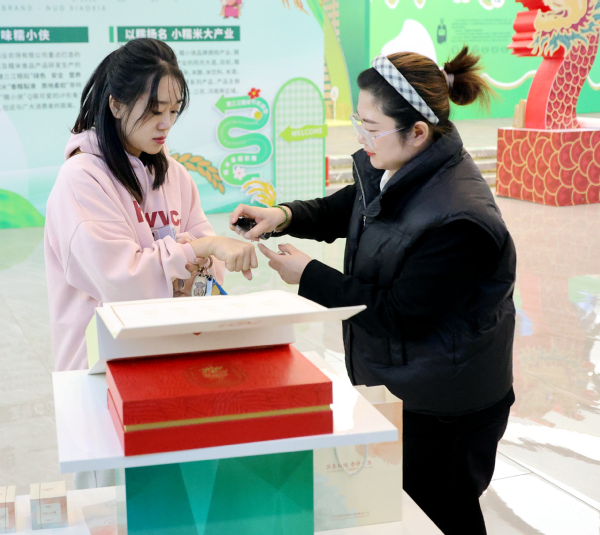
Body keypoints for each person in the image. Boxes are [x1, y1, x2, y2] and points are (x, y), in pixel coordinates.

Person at [230, 46, 516, 535]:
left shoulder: (460, 220)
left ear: (418, 131)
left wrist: (309, 276)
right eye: (357, 122)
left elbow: (398, 315)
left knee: (444, 515)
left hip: (447, 410)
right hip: (409, 386)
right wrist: (283, 216)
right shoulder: (403, 167)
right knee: (404, 509)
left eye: (370, 127)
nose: (360, 138)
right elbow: (353, 205)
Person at [45, 38, 257, 373]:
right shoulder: (82, 179)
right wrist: (196, 249)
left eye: (173, 110)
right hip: (102, 367)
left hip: (172, 354)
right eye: (155, 110)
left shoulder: (175, 175)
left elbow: (211, 273)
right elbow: (122, 284)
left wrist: (191, 257)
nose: (166, 123)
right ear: (116, 105)